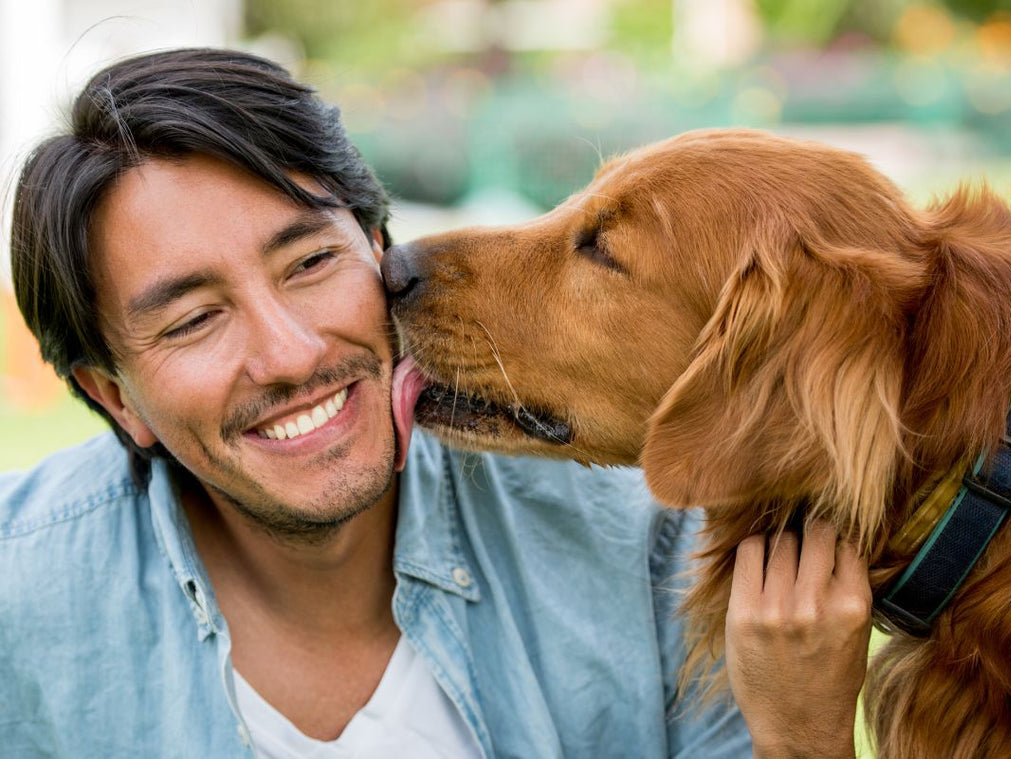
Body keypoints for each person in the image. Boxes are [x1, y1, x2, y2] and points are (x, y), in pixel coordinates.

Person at [1, 47, 870, 758]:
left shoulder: (665, 544)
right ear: (118, 398)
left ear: (377, 245)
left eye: (310, 264)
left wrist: (801, 742)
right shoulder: (21, 597)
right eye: (194, 320)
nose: (291, 353)